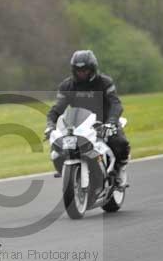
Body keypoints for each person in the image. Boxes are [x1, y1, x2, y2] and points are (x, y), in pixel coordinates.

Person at [45, 50, 130, 186]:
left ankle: (119, 168)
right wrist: (50, 124)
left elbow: (116, 103)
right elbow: (58, 108)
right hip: (78, 124)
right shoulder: (67, 86)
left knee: (119, 142)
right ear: (73, 71)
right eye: (78, 71)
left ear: (92, 69)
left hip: (104, 122)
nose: (82, 73)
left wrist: (112, 122)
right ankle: (67, 170)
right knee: (59, 147)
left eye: (85, 70)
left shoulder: (104, 82)